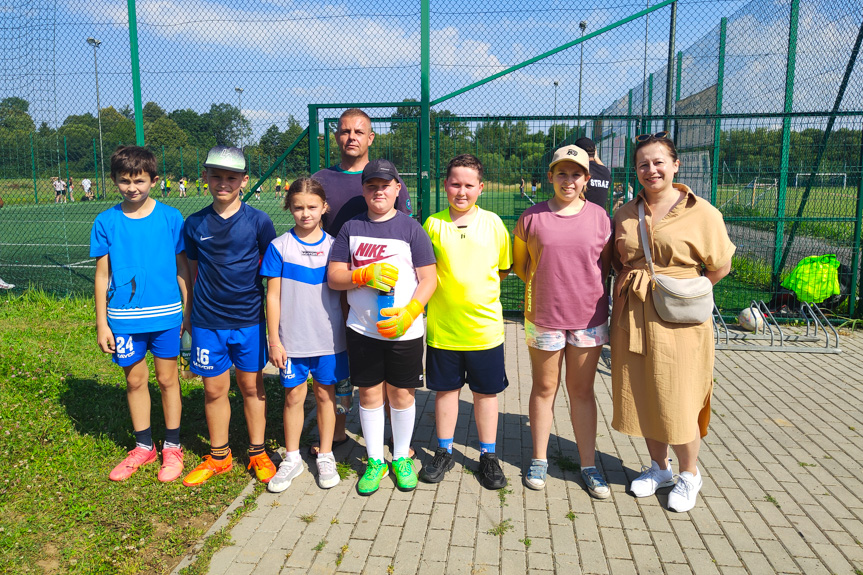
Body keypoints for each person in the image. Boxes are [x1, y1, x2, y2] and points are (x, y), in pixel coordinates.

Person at [610, 132, 734, 512]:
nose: (651, 170)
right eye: (643, 164)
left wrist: (683, 293)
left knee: (679, 396)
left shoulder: (703, 212)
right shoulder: (625, 212)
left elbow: (721, 265)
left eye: (659, 161)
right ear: (636, 171)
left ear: (675, 165)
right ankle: (658, 468)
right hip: (633, 314)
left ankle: (689, 473)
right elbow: (618, 260)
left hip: (680, 320)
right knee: (645, 392)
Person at [327, 158, 436, 495]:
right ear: (363, 190)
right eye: (372, 185)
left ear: (397, 189)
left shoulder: (411, 228)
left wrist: (410, 312)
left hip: (404, 330)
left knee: (401, 393)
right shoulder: (351, 228)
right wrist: (361, 275)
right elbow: (334, 277)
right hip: (363, 329)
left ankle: (401, 457)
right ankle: (375, 460)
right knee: (371, 394)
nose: (378, 191)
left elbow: (429, 280)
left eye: (385, 185)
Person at [311, 107, 412, 456]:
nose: (351, 136)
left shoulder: (384, 177)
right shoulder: (321, 178)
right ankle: (336, 431)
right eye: (344, 131)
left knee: (380, 359)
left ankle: (389, 439)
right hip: (333, 283)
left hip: (377, 290)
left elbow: (401, 229)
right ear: (335, 137)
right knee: (337, 360)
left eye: (359, 131)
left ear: (370, 138)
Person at [514, 145, 612, 499]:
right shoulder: (531, 217)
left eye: (576, 174)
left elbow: (607, 264)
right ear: (550, 176)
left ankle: (588, 464)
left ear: (587, 178)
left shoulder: (601, 218)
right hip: (543, 317)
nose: (568, 181)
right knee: (544, 389)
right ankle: (539, 459)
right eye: (561, 173)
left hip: (588, 319)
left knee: (582, 391)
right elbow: (522, 265)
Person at [89, 146, 191, 482]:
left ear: (154, 180)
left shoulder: (171, 218)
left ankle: (172, 446)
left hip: (166, 318)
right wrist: (102, 322)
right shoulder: (105, 221)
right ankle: (144, 446)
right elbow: (102, 275)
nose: (132, 187)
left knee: (167, 380)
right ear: (114, 181)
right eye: (124, 181)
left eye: (139, 180)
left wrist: (186, 312)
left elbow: (182, 269)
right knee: (135, 381)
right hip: (124, 321)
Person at [181, 146, 278, 487]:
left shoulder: (258, 221)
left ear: (244, 181)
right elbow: (192, 273)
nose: (223, 183)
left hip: (249, 320)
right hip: (208, 323)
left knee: (251, 387)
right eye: (216, 176)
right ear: (205, 177)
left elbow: (273, 273)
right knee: (213, 390)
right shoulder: (194, 224)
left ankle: (257, 452)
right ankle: (219, 456)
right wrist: (188, 316)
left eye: (231, 177)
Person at [420, 154, 512, 490]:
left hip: (484, 330)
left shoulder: (494, 224)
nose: (461, 191)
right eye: (455, 184)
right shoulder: (433, 224)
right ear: (445, 185)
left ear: (480, 188)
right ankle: (443, 451)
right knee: (445, 392)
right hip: (443, 330)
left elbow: (502, 269)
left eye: (469, 185)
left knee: (486, 394)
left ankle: (488, 456)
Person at [261, 178, 347, 492]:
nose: (305, 213)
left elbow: (344, 294)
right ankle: (293, 456)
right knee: (294, 397)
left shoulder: (336, 246)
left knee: (326, 396)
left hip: (329, 340)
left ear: (324, 207)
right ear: (290, 208)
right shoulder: (279, 247)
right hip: (291, 342)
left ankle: (325, 455)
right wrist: (275, 340)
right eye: (298, 207)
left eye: (312, 207)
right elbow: (272, 296)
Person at [574, 137, 611, 210]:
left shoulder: (580, 170)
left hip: (580, 216)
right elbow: (605, 170)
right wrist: (596, 157)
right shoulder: (605, 172)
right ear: (595, 151)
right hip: (599, 216)